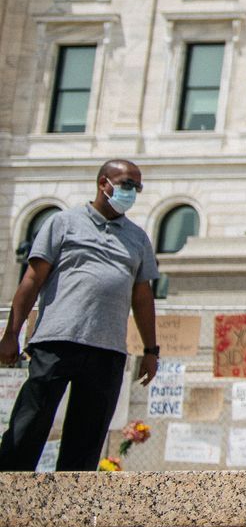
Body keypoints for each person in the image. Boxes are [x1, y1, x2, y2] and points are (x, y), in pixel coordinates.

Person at [0, 160, 160, 472]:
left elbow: (142, 297)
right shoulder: (64, 223)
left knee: (86, 440)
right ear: (104, 183)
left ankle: (70, 514)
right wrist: (11, 334)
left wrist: (151, 350)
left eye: (136, 187)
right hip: (57, 341)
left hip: (108, 350)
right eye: (126, 184)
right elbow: (32, 280)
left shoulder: (138, 238)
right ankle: (7, 495)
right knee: (29, 424)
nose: (132, 192)